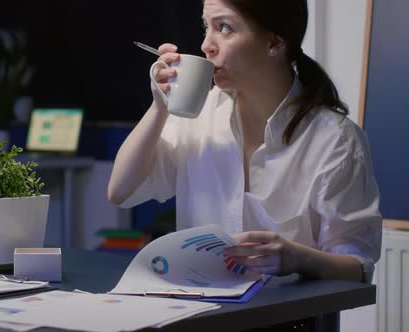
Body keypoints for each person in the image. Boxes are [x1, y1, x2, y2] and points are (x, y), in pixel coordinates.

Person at [108, 0, 381, 284]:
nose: (205, 45)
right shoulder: (198, 114)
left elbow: (358, 268)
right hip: (201, 312)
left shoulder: (335, 140)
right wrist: (160, 106)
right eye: (206, 27)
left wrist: (299, 258)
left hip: (290, 320)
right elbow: (122, 192)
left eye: (224, 28)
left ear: (273, 43)